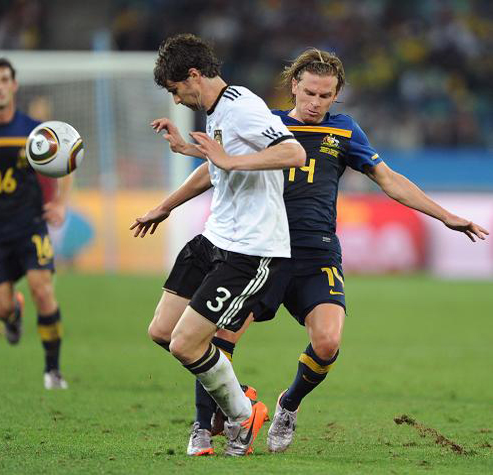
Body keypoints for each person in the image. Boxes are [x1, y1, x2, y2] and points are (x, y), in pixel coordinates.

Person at [135, 47, 489, 455]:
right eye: (310, 94)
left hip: (315, 253)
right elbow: (215, 167)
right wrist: (166, 205)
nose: (317, 103)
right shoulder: (264, 121)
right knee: (216, 337)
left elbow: (388, 179)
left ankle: (288, 404)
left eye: (326, 96)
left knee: (327, 343)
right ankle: (204, 425)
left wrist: (445, 216)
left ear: (335, 96)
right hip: (263, 248)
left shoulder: (344, 131)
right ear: (293, 88)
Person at [130, 33, 305, 456]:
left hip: (250, 248)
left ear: (193, 75)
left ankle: (242, 418)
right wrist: (167, 201)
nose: (175, 101)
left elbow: (294, 153)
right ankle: (240, 400)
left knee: (187, 345)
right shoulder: (218, 109)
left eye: (175, 91)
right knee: (163, 332)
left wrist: (228, 159)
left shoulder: (243, 108)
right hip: (215, 237)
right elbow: (219, 166)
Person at [0, 58, 72, 389]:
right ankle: (12, 315)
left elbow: (68, 157)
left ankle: (53, 371)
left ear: (14, 86)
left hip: (30, 226)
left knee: (43, 290)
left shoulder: (32, 131)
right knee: (1, 306)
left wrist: (60, 203)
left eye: (3, 80)